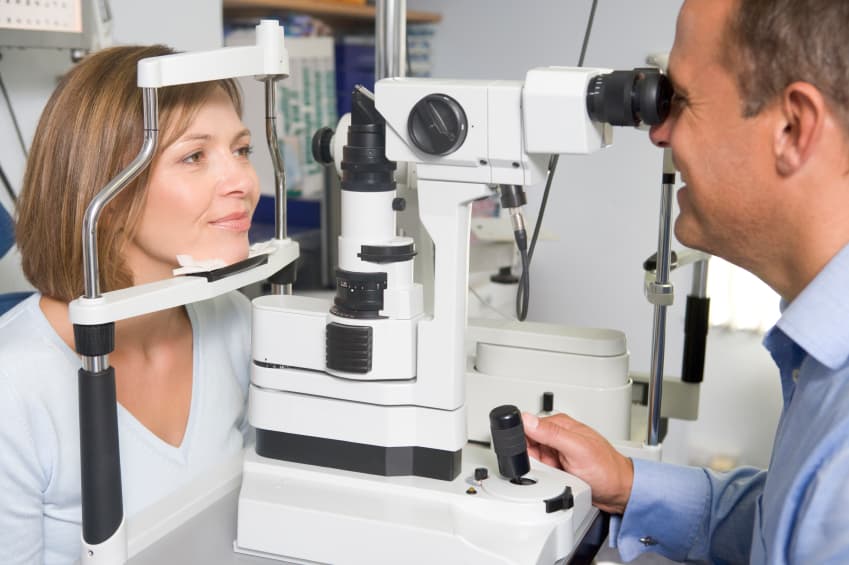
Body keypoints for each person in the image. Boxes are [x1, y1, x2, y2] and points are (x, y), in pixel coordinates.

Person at [524, 0, 849, 562]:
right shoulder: (823, 363)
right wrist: (629, 483)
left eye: (683, 100)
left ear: (793, 128)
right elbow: (784, 518)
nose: (658, 132)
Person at [0, 45, 260, 564]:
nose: (243, 183)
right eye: (194, 156)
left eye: (242, 149)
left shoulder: (232, 318)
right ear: (107, 190)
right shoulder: (15, 388)